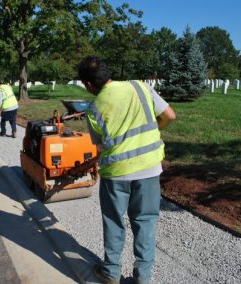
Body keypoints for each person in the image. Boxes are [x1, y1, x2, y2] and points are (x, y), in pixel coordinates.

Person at [78, 56, 176, 284]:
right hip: (149, 170)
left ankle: (111, 272)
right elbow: (169, 116)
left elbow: (100, 144)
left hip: (116, 174)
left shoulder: (93, 110)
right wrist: (152, 130)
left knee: (114, 221)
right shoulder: (140, 87)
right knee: (145, 221)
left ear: (89, 85)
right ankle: (143, 277)